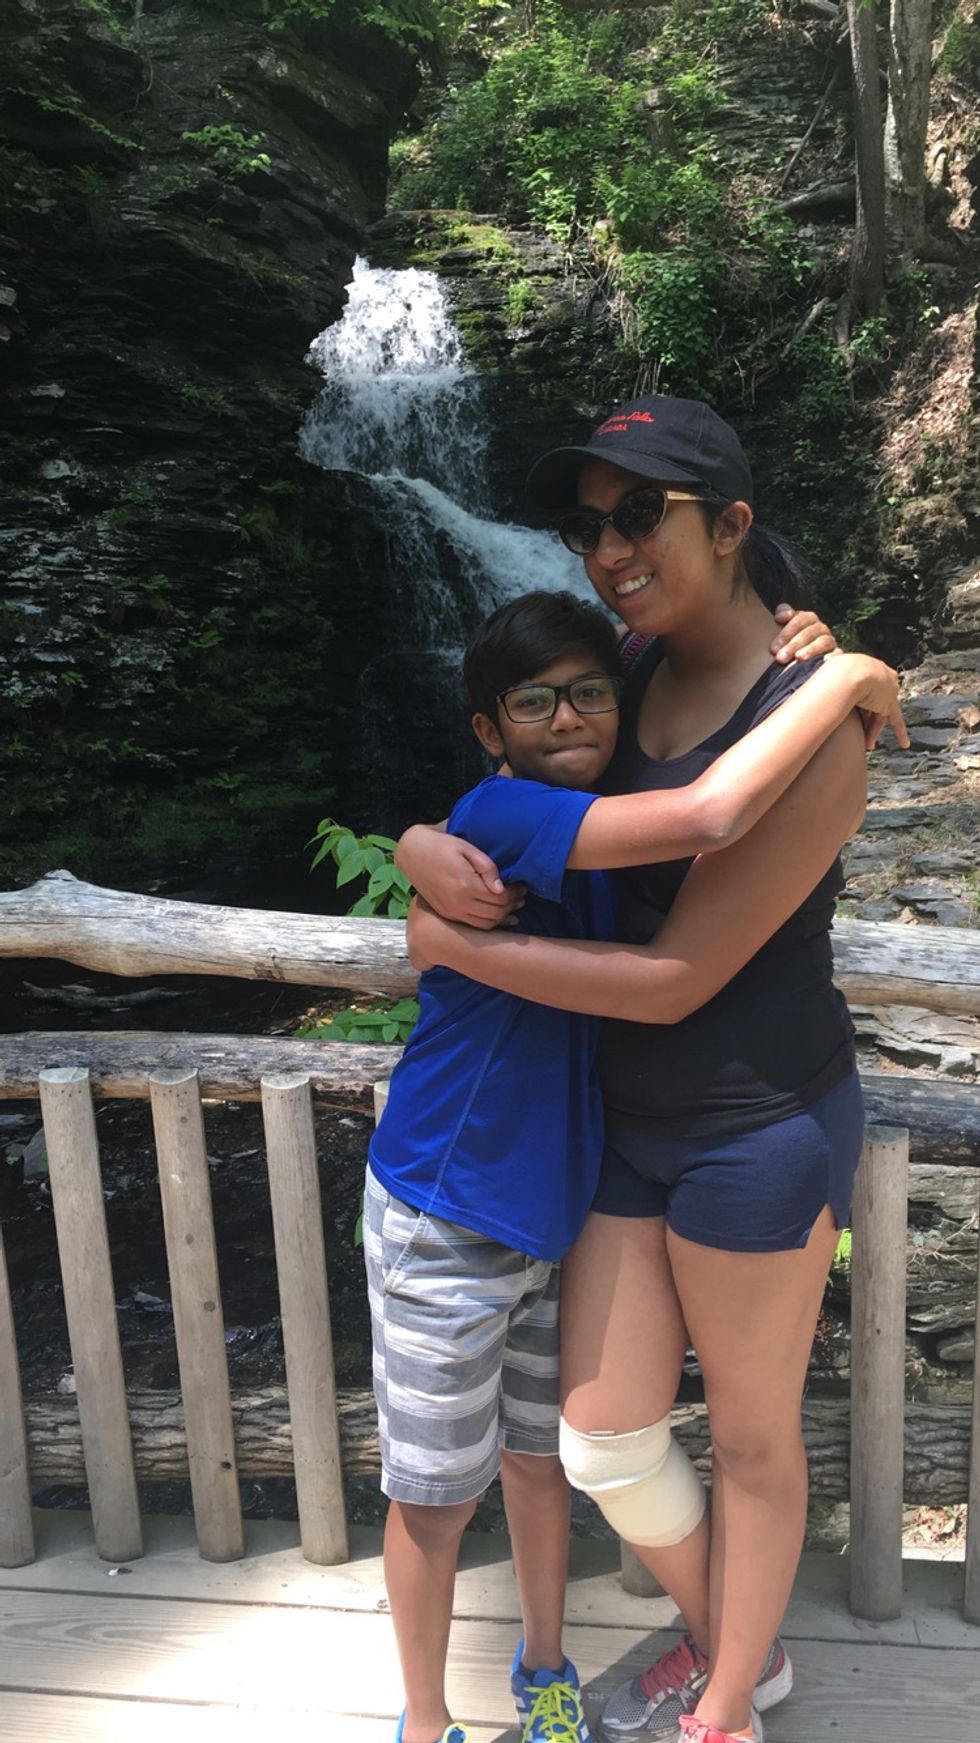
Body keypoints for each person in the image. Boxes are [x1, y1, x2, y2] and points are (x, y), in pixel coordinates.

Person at [399, 396, 908, 1743]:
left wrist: (849, 677)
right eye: (590, 527)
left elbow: (680, 973)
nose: (610, 548)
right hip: (624, 1117)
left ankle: (729, 1703)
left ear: (730, 525)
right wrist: (418, 858)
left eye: (640, 514)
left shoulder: (818, 721)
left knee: (749, 1436)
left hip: (760, 1123)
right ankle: (732, 1636)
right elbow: (505, 793)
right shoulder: (619, 671)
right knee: (605, 1434)